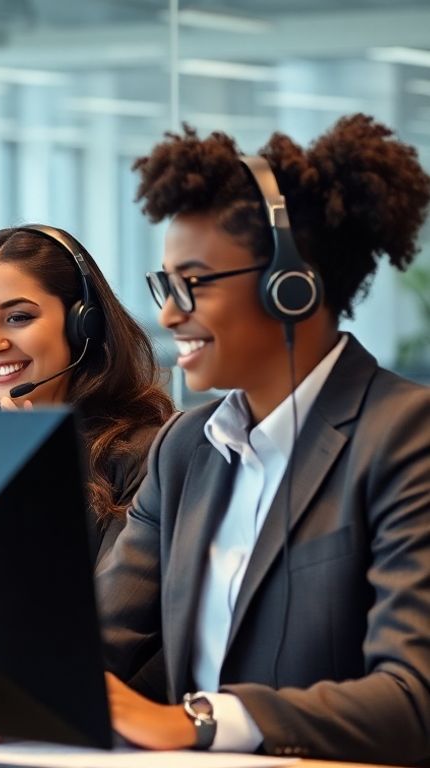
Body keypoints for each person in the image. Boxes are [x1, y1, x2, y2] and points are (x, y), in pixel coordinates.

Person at [96, 114, 430, 763]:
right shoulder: (186, 449)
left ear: (292, 286)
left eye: (193, 283)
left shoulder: (405, 436)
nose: (168, 313)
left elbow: (412, 698)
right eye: (166, 284)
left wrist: (200, 722)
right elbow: (96, 640)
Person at [0, 225, 174, 565]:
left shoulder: (146, 455)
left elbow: (109, 606)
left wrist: (37, 483)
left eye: (18, 317)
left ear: (84, 325)